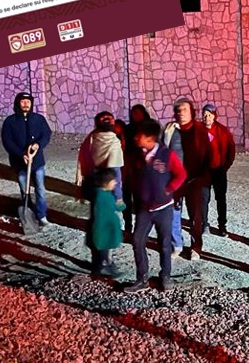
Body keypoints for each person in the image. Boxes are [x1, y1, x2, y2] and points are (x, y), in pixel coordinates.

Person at [125, 119, 187, 293]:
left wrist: (169, 189)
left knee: (165, 243)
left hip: (164, 208)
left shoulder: (167, 155)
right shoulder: (136, 155)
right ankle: (142, 279)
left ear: (150, 138)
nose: (136, 138)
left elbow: (181, 174)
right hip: (144, 209)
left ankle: (165, 276)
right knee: (137, 240)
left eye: (139, 135)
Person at [161, 96, 213, 260]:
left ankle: (196, 247)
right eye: (178, 110)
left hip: (194, 180)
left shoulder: (199, 130)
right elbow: (162, 151)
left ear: (192, 112)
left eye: (184, 109)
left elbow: (207, 155)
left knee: (195, 216)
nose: (181, 112)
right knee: (173, 213)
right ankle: (176, 244)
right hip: (174, 179)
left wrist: (204, 178)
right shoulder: (170, 129)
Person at [1, 91, 53, 225]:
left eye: (28, 102)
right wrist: (21, 154)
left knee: (40, 189)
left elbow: (46, 134)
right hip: (19, 162)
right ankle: (28, 212)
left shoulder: (38, 119)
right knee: (25, 190)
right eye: (23, 102)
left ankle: (41, 215)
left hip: (37, 161)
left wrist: (38, 144)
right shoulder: (10, 122)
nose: (26, 104)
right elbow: (7, 141)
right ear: (18, 103)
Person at [74, 111, 125, 205]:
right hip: (98, 170)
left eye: (109, 118)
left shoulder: (114, 138)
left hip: (110, 168)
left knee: (114, 183)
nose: (107, 119)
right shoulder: (93, 137)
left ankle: (116, 201)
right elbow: (85, 153)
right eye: (104, 118)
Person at [202, 103, 236, 237]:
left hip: (219, 171)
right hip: (204, 172)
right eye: (205, 115)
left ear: (214, 116)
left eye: (209, 115)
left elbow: (231, 149)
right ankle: (204, 224)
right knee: (203, 198)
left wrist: (225, 166)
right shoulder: (198, 131)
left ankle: (222, 226)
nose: (207, 118)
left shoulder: (222, 131)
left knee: (221, 199)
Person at [86, 169, 126, 277]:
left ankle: (98, 270)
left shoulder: (101, 194)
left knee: (98, 254)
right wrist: (121, 205)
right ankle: (101, 271)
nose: (115, 183)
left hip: (102, 231)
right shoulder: (103, 197)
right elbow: (113, 209)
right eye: (113, 181)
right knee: (101, 253)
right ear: (105, 183)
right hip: (103, 232)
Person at [122, 103, 152, 236]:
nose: (136, 115)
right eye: (134, 113)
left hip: (142, 169)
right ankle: (128, 225)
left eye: (138, 113)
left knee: (140, 200)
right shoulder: (128, 129)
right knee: (127, 199)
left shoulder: (149, 128)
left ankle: (139, 228)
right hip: (129, 168)